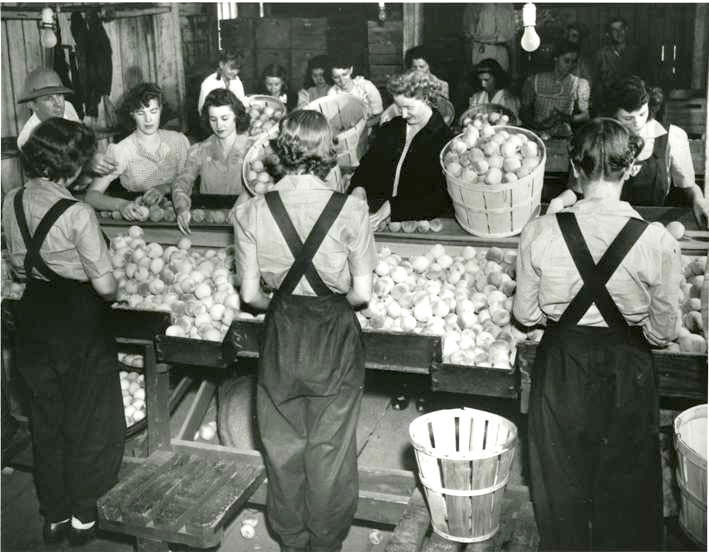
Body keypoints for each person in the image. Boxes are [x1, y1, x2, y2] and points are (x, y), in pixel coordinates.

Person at [514, 118, 682, 551]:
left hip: (562, 369)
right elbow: (663, 333)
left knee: (560, 491)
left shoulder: (539, 231)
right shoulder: (657, 240)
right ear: (632, 170)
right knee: (625, 492)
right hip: (627, 371)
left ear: (574, 167)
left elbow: (526, 314)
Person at [234, 109, 375, 552]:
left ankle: (291, 539)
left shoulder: (251, 211)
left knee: (281, 442)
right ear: (328, 153)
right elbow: (362, 294)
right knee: (330, 449)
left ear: (281, 151)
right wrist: (329, 302)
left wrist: (284, 300)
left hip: (282, 332)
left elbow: (251, 296)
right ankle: (326, 542)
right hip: (333, 333)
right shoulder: (351, 209)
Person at [2, 118, 125, 545]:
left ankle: (53, 514)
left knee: (45, 418)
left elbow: (20, 265)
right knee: (88, 418)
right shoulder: (78, 212)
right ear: (71, 168)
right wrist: (115, 281)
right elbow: (106, 288)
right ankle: (83, 515)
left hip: (34, 315)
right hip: (78, 321)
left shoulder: (11, 199)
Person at [548, 76, 709, 227]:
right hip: (605, 224)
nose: (638, 123)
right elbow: (577, 190)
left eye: (642, 114)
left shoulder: (672, 137)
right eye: (628, 118)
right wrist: (559, 201)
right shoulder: (600, 135)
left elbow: (688, 185)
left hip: (653, 225)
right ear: (613, 115)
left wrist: (699, 200)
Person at [349, 70, 453, 228]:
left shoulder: (443, 140)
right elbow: (368, 166)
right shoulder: (391, 129)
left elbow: (438, 198)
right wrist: (359, 187)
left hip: (420, 224)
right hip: (378, 219)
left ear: (426, 98)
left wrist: (392, 207)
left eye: (408, 107)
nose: (403, 115)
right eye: (399, 107)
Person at [85, 83, 189, 220]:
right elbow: (91, 196)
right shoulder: (122, 150)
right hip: (139, 217)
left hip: (181, 213)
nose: (148, 119)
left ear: (161, 109)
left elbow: (189, 181)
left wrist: (164, 188)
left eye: (153, 111)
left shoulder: (179, 141)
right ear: (132, 114)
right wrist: (121, 205)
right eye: (141, 113)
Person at [173, 89, 252, 235]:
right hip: (209, 225)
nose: (219, 125)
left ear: (236, 116)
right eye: (213, 119)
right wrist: (182, 208)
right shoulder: (199, 150)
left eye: (225, 118)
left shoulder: (253, 150)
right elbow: (182, 183)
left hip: (246, 226)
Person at [16, 67, 116, 176]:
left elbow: (81, 138)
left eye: (59, 95)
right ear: (32, 105)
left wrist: (94, 154)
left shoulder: (67, 107)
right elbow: (53, 175)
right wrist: (88, 162)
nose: (58, 104)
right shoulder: (27, 138)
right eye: (48, 98)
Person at [520, 40, 590, 137]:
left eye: (574, 62)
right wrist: (535, 125)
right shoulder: (535, 81)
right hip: (537, 134)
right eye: (566, 60)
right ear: (556, 58)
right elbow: (524, 111)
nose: (570, 65)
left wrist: (565, 118)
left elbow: (585, 116)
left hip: (563, 137)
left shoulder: (578, 84)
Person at [380, 46, 451, 125]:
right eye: (414, 67)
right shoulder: (405, 83)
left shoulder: (441, 84)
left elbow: (445, 112)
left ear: (429, 65)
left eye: (422, 67)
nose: (418, 70)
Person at [593, 17, 644, 116]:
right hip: (608, 105)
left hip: (632, 104)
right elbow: (596, 82)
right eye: (614, 30)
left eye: (621, 28)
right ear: (608, 33)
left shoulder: (636, 52)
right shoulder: (601, 54)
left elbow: (643, 80)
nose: (619, 33)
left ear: (626, 30)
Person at [328, 53, 383, 126]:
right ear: (331, 77)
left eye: (344, 75)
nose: (342, 81)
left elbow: (379, 115)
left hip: (371, 127)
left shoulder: (366, 86)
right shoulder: (332, 93)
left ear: (351, 70)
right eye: (336, 77)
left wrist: (360, 128)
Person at [197, 49, 248, 113]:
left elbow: (242, 103)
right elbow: (202, 111)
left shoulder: (236, 81)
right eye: (232, 68)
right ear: (221, 65)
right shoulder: (208, 84)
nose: (235, 72)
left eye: (238, 68)